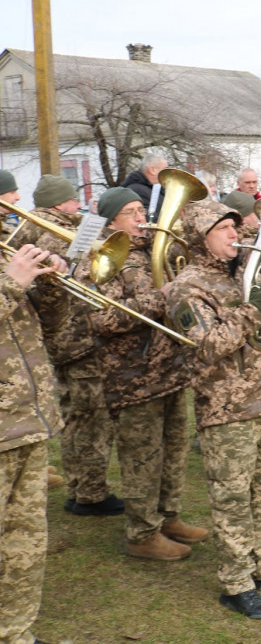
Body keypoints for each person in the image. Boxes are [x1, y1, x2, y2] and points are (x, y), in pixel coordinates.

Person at [164, 200, 261, 619]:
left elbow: (259, 336)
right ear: (200, 237)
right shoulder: (187, 288)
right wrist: (253, 310)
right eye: (224, 228)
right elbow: (208, 346)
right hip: (225, 409)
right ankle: (236, 581)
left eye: (235, 226)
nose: (236, 234)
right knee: (232, 499)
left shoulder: (241, 273)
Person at [90, 187, 208, 561]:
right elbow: (103, 318)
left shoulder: (150, 250)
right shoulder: (101, 257)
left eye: (143, 209)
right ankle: (142, 533)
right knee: (143, 457)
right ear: (111, 221)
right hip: (133, 376)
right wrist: (161, 298)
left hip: (170, 368)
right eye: (131, 212)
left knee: (173, 450)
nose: (142, 218)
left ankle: (167, 516)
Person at [27, 175, 123, 517]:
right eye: (71, 201)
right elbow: (62, 285)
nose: (76, 206)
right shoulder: (54, 233)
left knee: (76, 415)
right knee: (91, 417)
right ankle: (91, 492)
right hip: (76, 337)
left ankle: (78, 486)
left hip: (63, 340)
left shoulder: (36, 227)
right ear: (58, 204)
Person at [0, 241, 64, 644]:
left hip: (28, 419)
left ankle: (14, 632)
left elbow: (52, 328)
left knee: (25, 541)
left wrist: (51, 286)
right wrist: (9, 284)